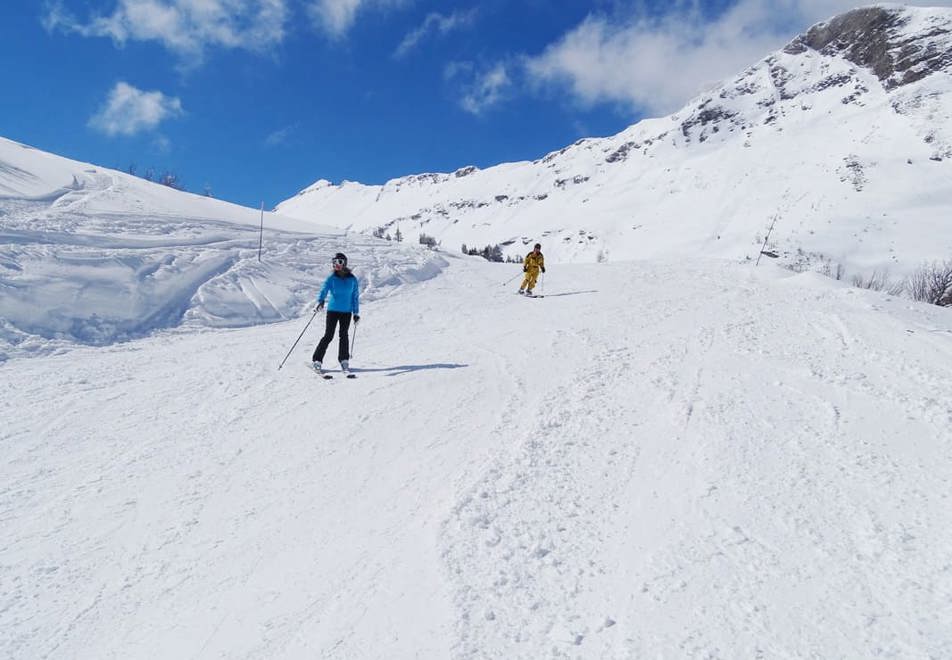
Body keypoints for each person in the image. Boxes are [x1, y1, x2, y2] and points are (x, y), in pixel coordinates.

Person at [312, 252, 360, 374]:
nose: (336, 265)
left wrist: (356, 313)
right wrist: (320, 301)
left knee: (344, 336)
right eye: (334, 262)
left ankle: (344, 360)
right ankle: (317, 360)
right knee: (328, 335)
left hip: (346, 312)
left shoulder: (352, 279)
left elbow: (355, 297)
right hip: (333, 310)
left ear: (344, 263)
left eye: (339, 262)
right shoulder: (331, 278)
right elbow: (324, 290)